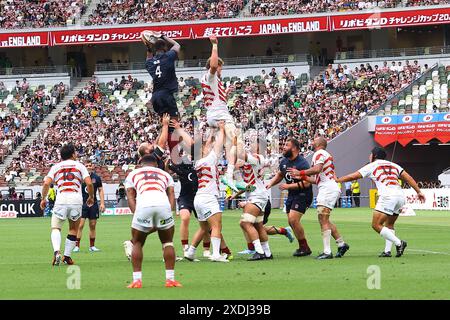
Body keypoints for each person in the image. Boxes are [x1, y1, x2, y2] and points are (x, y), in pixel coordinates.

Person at [336, 147, 425, 257]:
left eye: (370, 154)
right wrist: (419, 192)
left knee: (376, 225)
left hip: (388, 196)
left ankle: (399, 243)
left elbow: (353, 176)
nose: (369, 156)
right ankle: (387, 251)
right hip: (400, 196)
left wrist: (338, 180)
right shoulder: (394, 165)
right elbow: (408, 178)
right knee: (390, 224)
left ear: (375, 155)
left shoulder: (372, 165)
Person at [124, 154, 181, 288]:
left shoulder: (133, 174)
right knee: (167, 242)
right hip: (163, 204)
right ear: (156, 164)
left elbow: (131, 197)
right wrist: (170, 211)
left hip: (144, 204)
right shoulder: (165, 174)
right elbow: (171, 194)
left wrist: (136, 214)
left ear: (140, 163)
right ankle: (170, 280)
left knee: (137, 242)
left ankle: (137, 280)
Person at [289, 137, 350, 259]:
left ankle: (327, 252)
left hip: (328, 189)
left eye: (313, 141)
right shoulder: (322, 154)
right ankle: (341, 244)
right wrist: (303, 178)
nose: (311, 142)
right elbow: (317, 180)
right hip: (328, 187)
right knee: (324, 219)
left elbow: (317, 169)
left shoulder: (319, 153)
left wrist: (300, 173)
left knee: (323, 219)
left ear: (318, 144)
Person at [40, 143, 94, 266]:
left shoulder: (56, 167)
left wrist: (43, 198)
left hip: (61, 199)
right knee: (73, 229)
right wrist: (91, 197)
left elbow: (46, 183)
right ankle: (67, 256)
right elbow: (89, 184)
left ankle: (56, 252)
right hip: (76, 199)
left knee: (56, 227)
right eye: (75, 152)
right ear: (72, 154)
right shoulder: (80, 166)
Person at [201, 36, 243, 193]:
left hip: (216, 115)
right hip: (220, 115)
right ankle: (230, 174)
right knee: (238, 141)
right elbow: (212, 65)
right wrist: (214, 46)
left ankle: (233, 179)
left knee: (228, 146)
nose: (220, 70)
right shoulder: (209, 76)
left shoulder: (215, 83)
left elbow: (216, 97)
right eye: (220, 67)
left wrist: (226, 91)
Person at [184, 122, 230, 262]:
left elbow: (209, 145)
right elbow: (218, 145)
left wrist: (211, 133)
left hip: (199, 198)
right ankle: (216, 254)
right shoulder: (209, 159)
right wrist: (221, 130)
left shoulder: (197, 162)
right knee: (217, 225)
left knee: (204, 227)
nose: (206, 147)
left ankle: (191, 251)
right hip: (208, 197)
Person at [265, 138, 313, 257]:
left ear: (295, 148)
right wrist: (270, 183)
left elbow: (307, 183)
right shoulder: (284, 161)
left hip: (303, 194)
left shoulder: (302, 163)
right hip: (292, 194)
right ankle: (303, 247)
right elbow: (280, 174)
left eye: (287, 145)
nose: (284, 147)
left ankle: (304, 247)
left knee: (293, 220)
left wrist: (288, 186)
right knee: (291, 222)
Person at [144, 31, 181, 152]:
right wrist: (163, 36)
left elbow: (149, 57)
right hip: (166, 95)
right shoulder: (169, 56)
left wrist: (148, 46)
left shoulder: (149, 62)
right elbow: (177, 45)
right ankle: (175, 156)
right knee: (173, 125)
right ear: (165, 48)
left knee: (164, 125)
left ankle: (158, 151)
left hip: (155, 97)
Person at [74, 161, 105, 252]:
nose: (88, 167)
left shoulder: (96, 178)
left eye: (90, 165)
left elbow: (100, 190)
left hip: (93, 204)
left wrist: (102, 203)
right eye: (86, 165)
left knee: (92, 225)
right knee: (80, 225)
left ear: (92, 166)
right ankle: (77, 246)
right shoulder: (80, 177)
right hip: (82, 204)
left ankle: (92, 246)